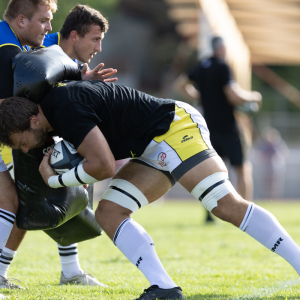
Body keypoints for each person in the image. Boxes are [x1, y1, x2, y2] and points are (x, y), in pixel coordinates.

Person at [1, 78, 300, 300]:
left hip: (174, 127)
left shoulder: (64, 107)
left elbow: (104, 167)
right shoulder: (55, 110)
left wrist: (54, 180)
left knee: (225, 205)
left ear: (33, 120)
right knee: (110, 212)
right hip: (149, 146)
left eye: (23, 143)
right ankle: (165, 288)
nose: (27, 151)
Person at [0, 0, 115, 289]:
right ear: (22, 20)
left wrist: (79, 77)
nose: (49, 27)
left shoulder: (36, 45)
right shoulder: (7, 51)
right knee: (16, 200)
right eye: (44, 20)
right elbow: (9, 109)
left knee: (53, 186)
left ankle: (71, 271)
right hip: (6, 131)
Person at [174, 36, 261, 205]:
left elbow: (179, 85)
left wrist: (200, 97)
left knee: (214, 173)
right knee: (242, 168)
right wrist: (254, 96)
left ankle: (210, 212)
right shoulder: (223, 66)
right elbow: (233, 95)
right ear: (222, 48)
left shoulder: (201, 66)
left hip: (209, 128)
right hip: (228, 127)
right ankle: (246, 210)